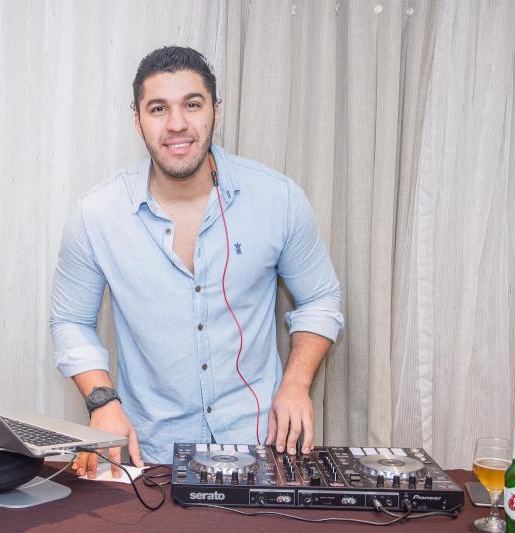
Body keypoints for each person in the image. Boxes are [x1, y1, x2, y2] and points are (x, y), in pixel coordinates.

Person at [50, 46, 343, 479]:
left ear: (215, 111)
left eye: (192, 104)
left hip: (260, 449)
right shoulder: (96, 214)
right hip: (151, 458)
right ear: (137, 120)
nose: (176, 124)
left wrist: (296, 384)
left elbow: (321, 298)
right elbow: (71, 319)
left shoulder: (278, 199)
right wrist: (102, 402)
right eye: (158, 108)